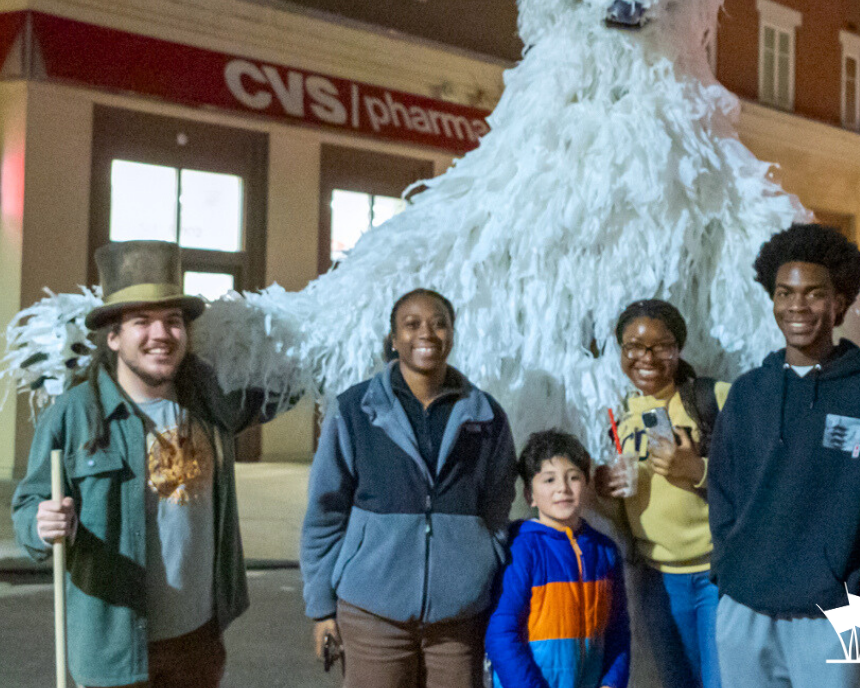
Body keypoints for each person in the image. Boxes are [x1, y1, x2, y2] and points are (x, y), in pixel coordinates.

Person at [11, 240, 287, 688]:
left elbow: (283, 384)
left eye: (172, 321)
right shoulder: (76, 412)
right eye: (142, 321)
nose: (160, 335)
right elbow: (29, 506)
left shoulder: (210, 401)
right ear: (114, 337)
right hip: (113, 647)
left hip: (198, 642)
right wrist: (41, 525)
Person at [709, 223, 860, 688]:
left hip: (834, 617)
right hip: (745, 610)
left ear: (840, 303)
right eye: (784, 292)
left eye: (813, 293)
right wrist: (729, 572)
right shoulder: (748, 392)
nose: (796, 306)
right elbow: (723, 494)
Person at [301, 288, 516, 688]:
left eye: (439, 323)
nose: (427, 334)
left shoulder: (486, 415)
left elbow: (499, 501)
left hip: (458, 618)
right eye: (412, 324)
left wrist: (483, 559)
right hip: (371, 612)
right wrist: (321, 608)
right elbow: (325, 512)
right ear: (394, 338)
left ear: (452, 333)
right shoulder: (354, 409)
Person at [595, 299, 728, 688]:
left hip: (715, 573)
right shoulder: (620, 416)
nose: (646, 357)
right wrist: (606, 490)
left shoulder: (712, 398)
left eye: (661, 346)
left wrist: (699, 471)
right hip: (656, 579)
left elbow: (762, 472)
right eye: (633, 347)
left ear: (679, 348)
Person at [486, 429, 631, 688]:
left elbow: (617, 630)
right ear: (529, 495)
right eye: (549, 480)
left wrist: (612, 682)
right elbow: (501, 634)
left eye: (573, 477)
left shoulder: (605, 551)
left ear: (586, 485)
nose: (563, 488)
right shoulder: (521, 548)